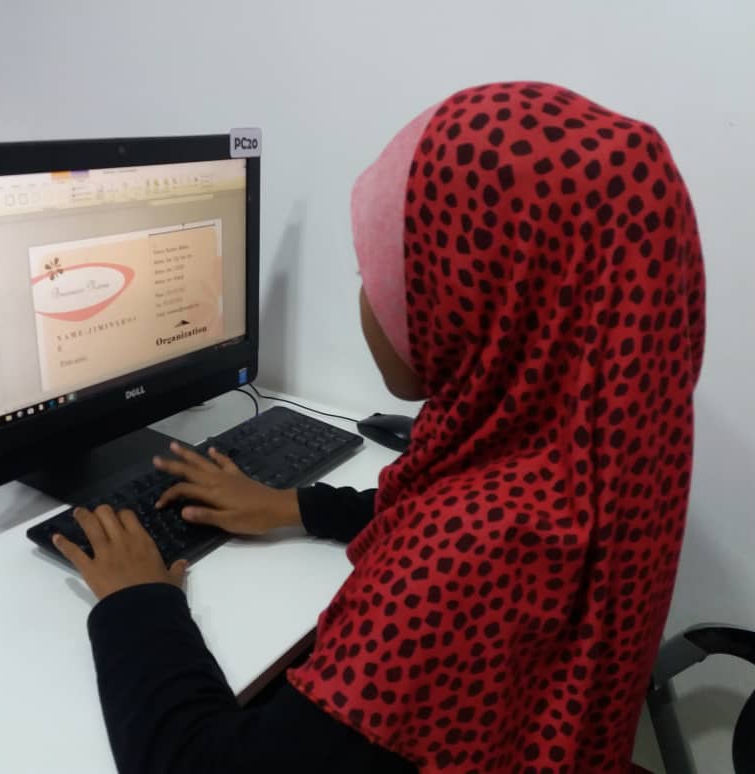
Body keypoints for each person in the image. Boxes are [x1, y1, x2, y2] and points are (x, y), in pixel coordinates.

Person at [52, 82, 706, 774]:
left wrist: (138, 603)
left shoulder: (464, 554)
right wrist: (297, 506)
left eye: (381, 271)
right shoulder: (612, 449)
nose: (367, 295)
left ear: (477, 296)